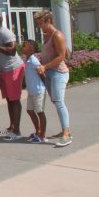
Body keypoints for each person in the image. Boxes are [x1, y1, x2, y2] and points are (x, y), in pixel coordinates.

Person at [34, 10, 72, 147]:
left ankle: (66, 135)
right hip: (49, 73)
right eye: (38, 23)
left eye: (40, 23)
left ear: (48, 21)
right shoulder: (46, 35)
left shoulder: (57, 35)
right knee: (56, 102)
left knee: (59, 102)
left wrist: (45, 66)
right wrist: (41, 65)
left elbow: (61, 56)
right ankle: (65, 129)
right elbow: (46, 55)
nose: (39, 26)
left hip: (59, 73)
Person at [0, 13, 25, 140]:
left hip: (14, 68)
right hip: (5, 70)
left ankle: (17, 131)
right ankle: (11, 127)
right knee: (9, 99)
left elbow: (12, 50)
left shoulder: (5, 33)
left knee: (15, 100)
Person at [22, 40, 47, 143]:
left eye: (25, 46)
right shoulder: (27, 60)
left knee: (40, 112)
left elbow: (42, 73)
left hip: (38, 91)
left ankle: (42, 135)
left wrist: (45, 86)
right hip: (31, 91)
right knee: (30, 110)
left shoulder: (34, 60)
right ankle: (38, 131)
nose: (22, 47)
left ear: (31, 49)